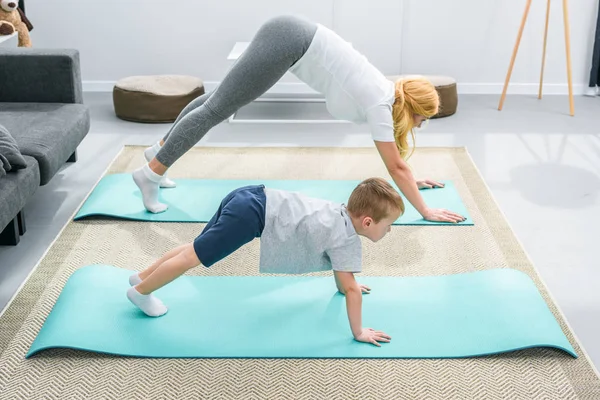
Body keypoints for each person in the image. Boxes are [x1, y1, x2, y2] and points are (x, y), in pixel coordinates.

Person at [132, 14, 465, 224]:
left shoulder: (384, 91)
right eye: (423, 119)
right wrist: (425, 210)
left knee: (218, 100)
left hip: (292, 35)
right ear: (411, 108)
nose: (421, 125)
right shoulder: (380, 103)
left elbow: (398, 166)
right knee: (218, 109)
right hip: (290, 41)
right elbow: (397, 167)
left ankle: (157, 153)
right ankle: (151, 173)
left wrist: (411, 183)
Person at [126, 177, 403, 347]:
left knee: (194, 247)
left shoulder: (339, 212)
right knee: (193, 257)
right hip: (251, 215)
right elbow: (352, 289)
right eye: (388, 225)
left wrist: (345, 285)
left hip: (250, 194)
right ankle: (141, 292)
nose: (389, 231)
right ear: (367, 222)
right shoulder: (346, 238)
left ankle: (143, 276)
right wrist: (358, 331)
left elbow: (345, 280)